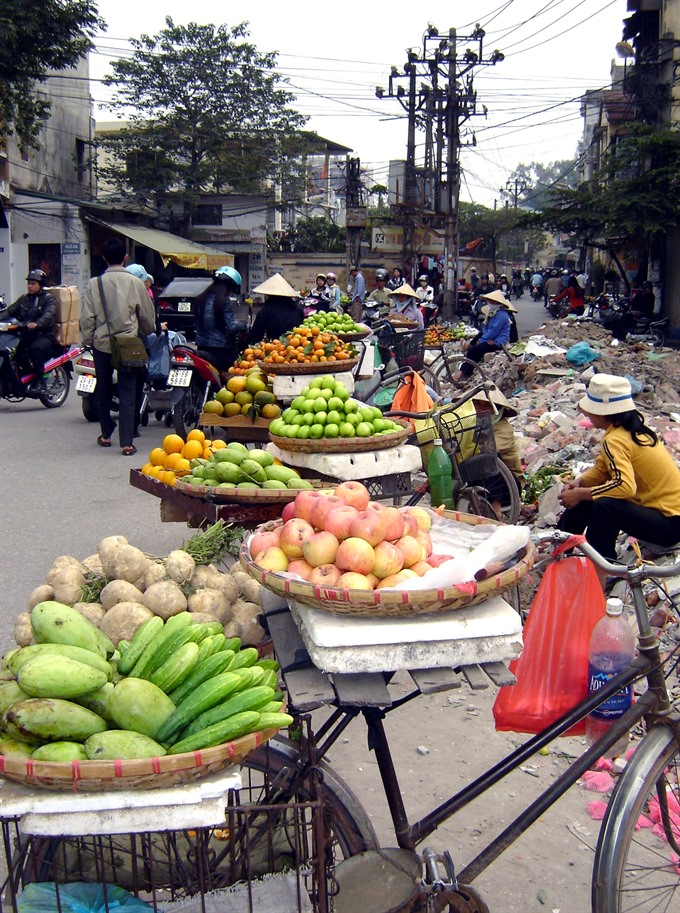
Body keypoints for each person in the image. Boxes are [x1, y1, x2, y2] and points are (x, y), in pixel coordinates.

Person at [558, 374, 680, 586]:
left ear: (603, 413)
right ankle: (560, 548)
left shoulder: (615, 439)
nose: (587, 413)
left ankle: (602, 570)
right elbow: (604, 469)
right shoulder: (630, 431)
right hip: (667, 517)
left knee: (605, 506)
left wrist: (581, 493)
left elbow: (625, 486)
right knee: (591, 497)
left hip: (669, 524)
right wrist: (582, 483)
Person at [80, 236, 155, 455]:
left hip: (102, 344)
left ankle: (105, 434)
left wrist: (87, 340)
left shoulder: (94, 284)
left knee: (103, 389)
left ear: (103, 258)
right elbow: (147, 316)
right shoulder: (136, 283)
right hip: (128, 344)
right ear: (125, 257)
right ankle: (127, 442)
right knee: (128, 391)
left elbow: (87, 318)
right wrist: (148, 330)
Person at [3, 269, 57, 393]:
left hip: (44, 335)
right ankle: (26, 375)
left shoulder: (48, 299)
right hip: (27, 334)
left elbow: (49, 315)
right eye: (29, 283)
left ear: (40, 285)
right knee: (15, 351)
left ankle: (41, 381)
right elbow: (10, 311)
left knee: (35, 348)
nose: (30, 286)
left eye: (33, 284)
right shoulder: (24, 299)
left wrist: (37, 324)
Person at [452, 289, 516, 382]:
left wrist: (482, 340)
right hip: (491, 340)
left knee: (473, 350)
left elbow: (494, 331)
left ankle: (463, 373)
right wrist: (484, 339)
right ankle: (464, 373)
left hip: (498, 342)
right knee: (474, 352)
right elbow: (486, 329)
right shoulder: (493, 313)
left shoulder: (502, 315)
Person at [193, 266, 245, 372]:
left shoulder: (200, 299)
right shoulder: (224, 301)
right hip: (221, 350)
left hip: (202, 347)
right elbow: (230, 327)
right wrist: (243, 326)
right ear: (230, 286)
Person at [248, 273, 304, 344]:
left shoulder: (267, 309)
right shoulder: (298, 307)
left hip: (276, 348)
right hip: (295, 346)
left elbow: (256, 334)